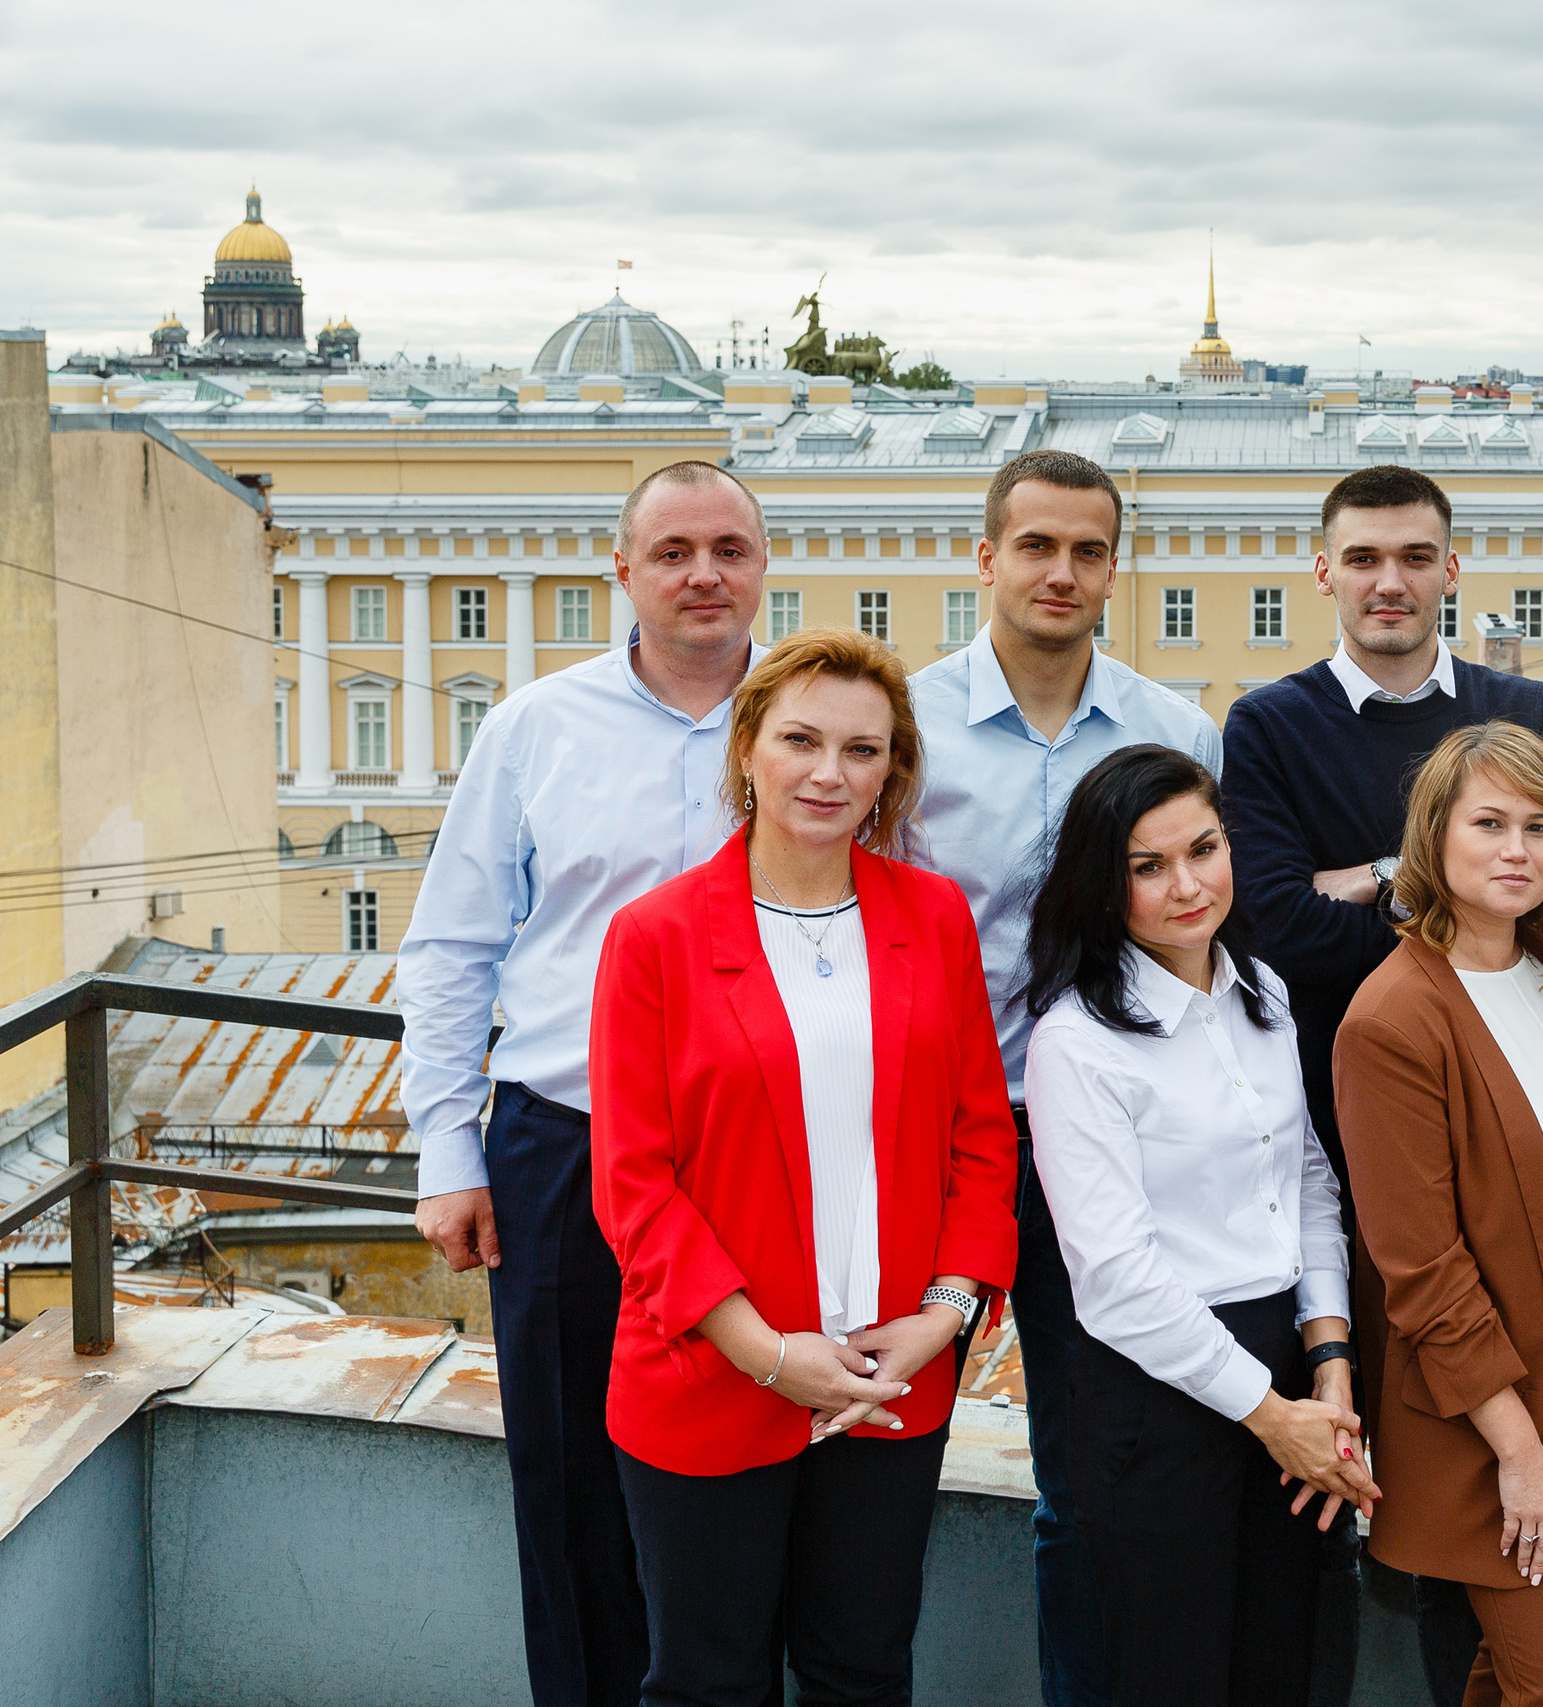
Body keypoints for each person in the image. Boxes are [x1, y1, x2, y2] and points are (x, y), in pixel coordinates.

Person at [1221, 464, 1543, 1704]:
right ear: (1321, 571)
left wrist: (1368, 878)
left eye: (1417, 556)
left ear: (1453, 568)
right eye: (1365, 557)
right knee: (1420, 1485)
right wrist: (1427, 881)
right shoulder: (1270, 723)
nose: (1392, 580)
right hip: (1342, 1142)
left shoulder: (1521, 705)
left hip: (1520, 1137)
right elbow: (1272, 922)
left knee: (1499, 1500)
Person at [396, 459, 769, 1707]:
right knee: (565, 1478)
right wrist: (447, 1154)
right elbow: (453, 945)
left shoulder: (815, 732)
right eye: (673, 552)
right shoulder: (535, 730)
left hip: (760, 1157)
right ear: (622, 573)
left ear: (764, 566)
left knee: (754, 1468)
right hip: (565, 1152)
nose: (703, 574)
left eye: (728, 548)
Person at [587, 626, 1016, 1704]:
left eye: (863, 751)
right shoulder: (655, 938)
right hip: (709, 1372)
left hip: (888, 1374)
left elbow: (981, 1133)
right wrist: (768, 1353)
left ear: (893, 772)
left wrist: (944, 1314)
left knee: (862, 1671)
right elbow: (633, 1182)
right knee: (705, 1682)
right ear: (746, 750)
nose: (830, 774)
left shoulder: (933, 916)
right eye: (801, 740)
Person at [908, 447, 1221, 1707]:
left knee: (1094, 1471)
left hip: (1115, 1142)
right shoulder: (908, 724)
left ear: (1113, 567)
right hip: (936, 1138)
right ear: (985, 558)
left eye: (1088, 550)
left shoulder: (1174, 729)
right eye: (1035, 546)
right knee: (878, 1432)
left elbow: (1200, 931)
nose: (1061, 572)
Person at [1020, 744, 1380, 1706]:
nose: (1187, 884)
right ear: (1106, 884)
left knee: (1293, 1666)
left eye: (1205, 848)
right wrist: (1273, 1417)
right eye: (1147, 866)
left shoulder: (1263, 990)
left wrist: (1331, 1354)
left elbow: (1307, 1178)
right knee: (1172, 1677)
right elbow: (1118, 1281)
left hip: (1293, 1367)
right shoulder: (1076, 1041)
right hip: (1161, 1395)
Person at [1334, 723, 1543, 1707]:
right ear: (1434, 839)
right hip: (1509, 1423)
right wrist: (1520, 1451)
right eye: (1488, 823)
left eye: (1539, 825)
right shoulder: (1392, 1021)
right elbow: (1420, 1269)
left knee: (1508, 1680)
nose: (1517, 848)